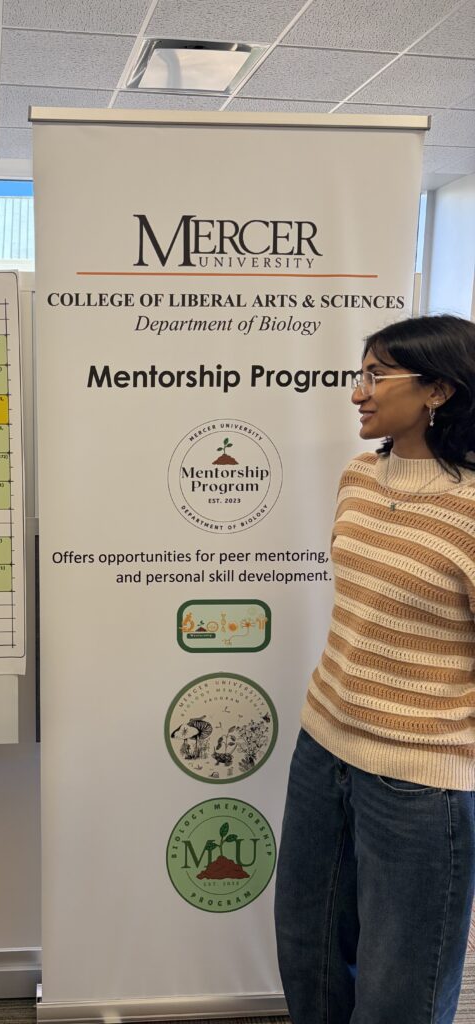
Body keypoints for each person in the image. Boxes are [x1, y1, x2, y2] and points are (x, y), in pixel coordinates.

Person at [274, 313, 475, 1024]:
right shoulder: (359, 477)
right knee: (308, 957)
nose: (357, 393)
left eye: (375, 377)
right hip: (322, 746)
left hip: (420, 783)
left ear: (439, 392)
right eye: (358, 374)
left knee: (400, 992)